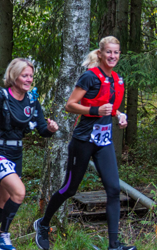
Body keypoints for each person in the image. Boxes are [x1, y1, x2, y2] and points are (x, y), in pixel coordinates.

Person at [33, 36, 135, 250]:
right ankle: (42, 225)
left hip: (104, 142)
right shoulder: (89, 77)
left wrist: (120, 115)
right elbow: (70, 105)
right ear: (100, 54)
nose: (113, 56)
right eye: (109, 52)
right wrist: (95, 111)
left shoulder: (117, 79)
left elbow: (108, 106)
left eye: (116, 52)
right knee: (70, 189)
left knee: (114, 189)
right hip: (83, 141)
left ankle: (114, 244)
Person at [0, 58, 60, 250]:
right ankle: (3, 234)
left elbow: (42, 131)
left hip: (15, 152)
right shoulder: (0, 96)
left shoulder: (32, 101)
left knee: (4, 200)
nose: (29, 79)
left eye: (30, 75)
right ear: (14, 76)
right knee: (19, 192)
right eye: (24, 75)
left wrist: (51, 129)